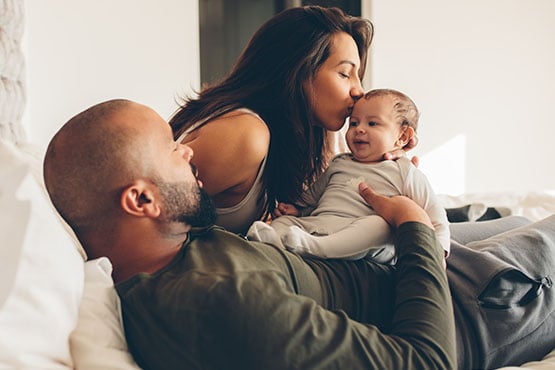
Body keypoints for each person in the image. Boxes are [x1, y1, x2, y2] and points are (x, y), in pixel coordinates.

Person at [44, 99, 555, 370]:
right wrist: (414, 227)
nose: (190, 152)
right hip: (472, 308)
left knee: (510, 219)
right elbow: (427, 362)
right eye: (172, 149)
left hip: (410, 270)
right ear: (141, 200)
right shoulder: (217, 303)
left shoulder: (177, 250)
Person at [168, 6, 417, 235]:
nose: (359, 91)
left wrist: (385, 171)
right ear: (297, 71)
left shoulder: (307, 136)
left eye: (358, 77)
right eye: (345, 74)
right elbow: (146, 219)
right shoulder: (244, 134)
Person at [247, 88, 450, 263]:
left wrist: (438, 252)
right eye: (353, 123)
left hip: (362, 238)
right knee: (285, 224)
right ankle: (274, 241)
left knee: (380, 226)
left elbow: (434, 214)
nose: (359, 129)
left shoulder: (404, 171)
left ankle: (314, 248)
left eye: (372, 124)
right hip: (321, 225)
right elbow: (313, 197)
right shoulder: (339, 162)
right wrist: (296, 210)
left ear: (402, 137)